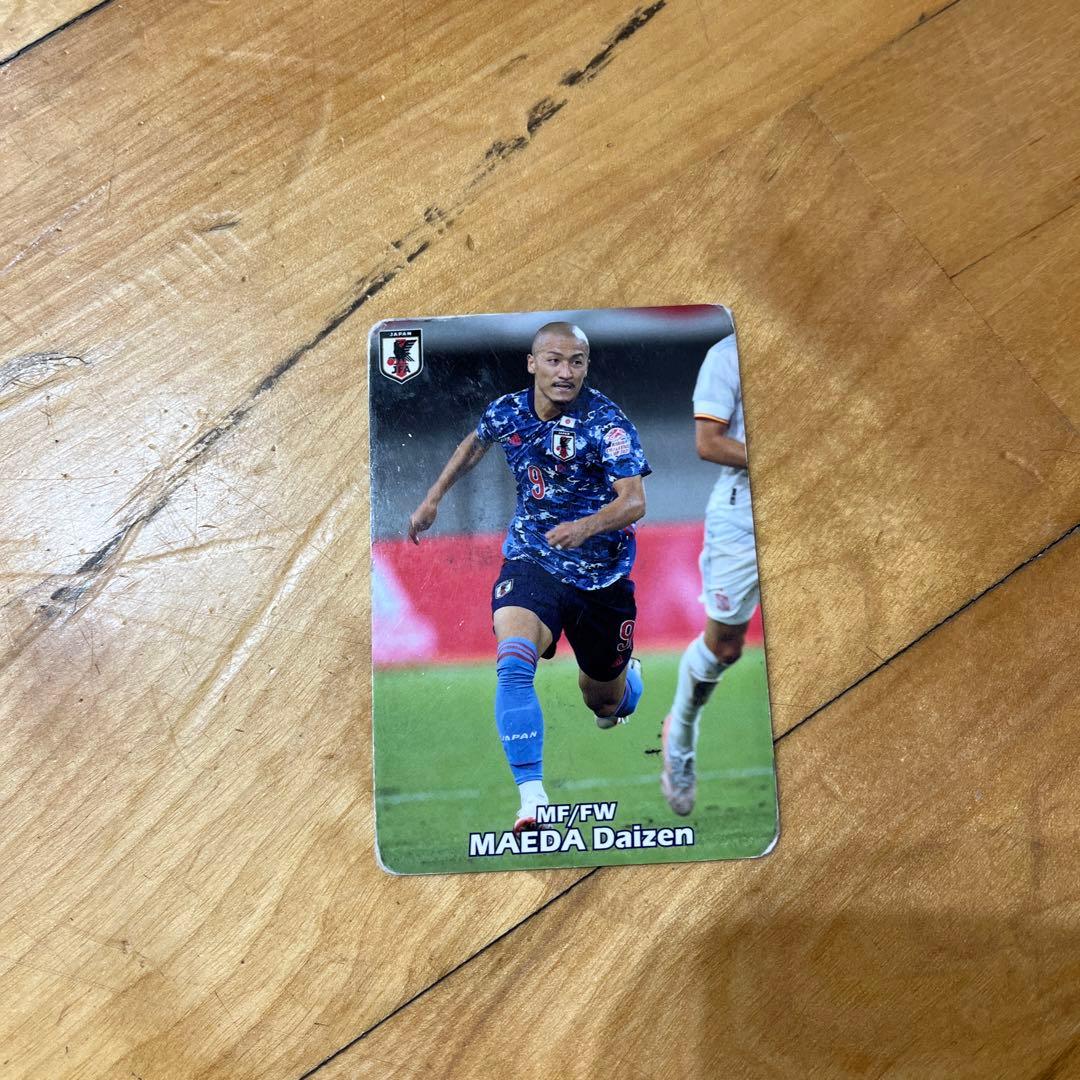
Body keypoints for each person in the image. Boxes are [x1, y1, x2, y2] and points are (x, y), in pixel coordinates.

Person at [409, 322, 650, 833]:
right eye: (555, 360)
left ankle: (627, 682)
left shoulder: (607, 424)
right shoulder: (507, 411)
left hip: (600, 580)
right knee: (513, 662)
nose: (565, 372)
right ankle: (532, 798)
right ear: (532, 363)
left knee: (604, 701)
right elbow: (475, 443)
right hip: (531, 560)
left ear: (586, 366)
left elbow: (634, 502)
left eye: (576, 362)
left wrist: (584, 527)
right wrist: (433, 498)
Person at [661, 330, 757, 816]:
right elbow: (708, 442)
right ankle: (679, 738)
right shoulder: (726, 356)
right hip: (744, 515)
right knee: (725, 648)